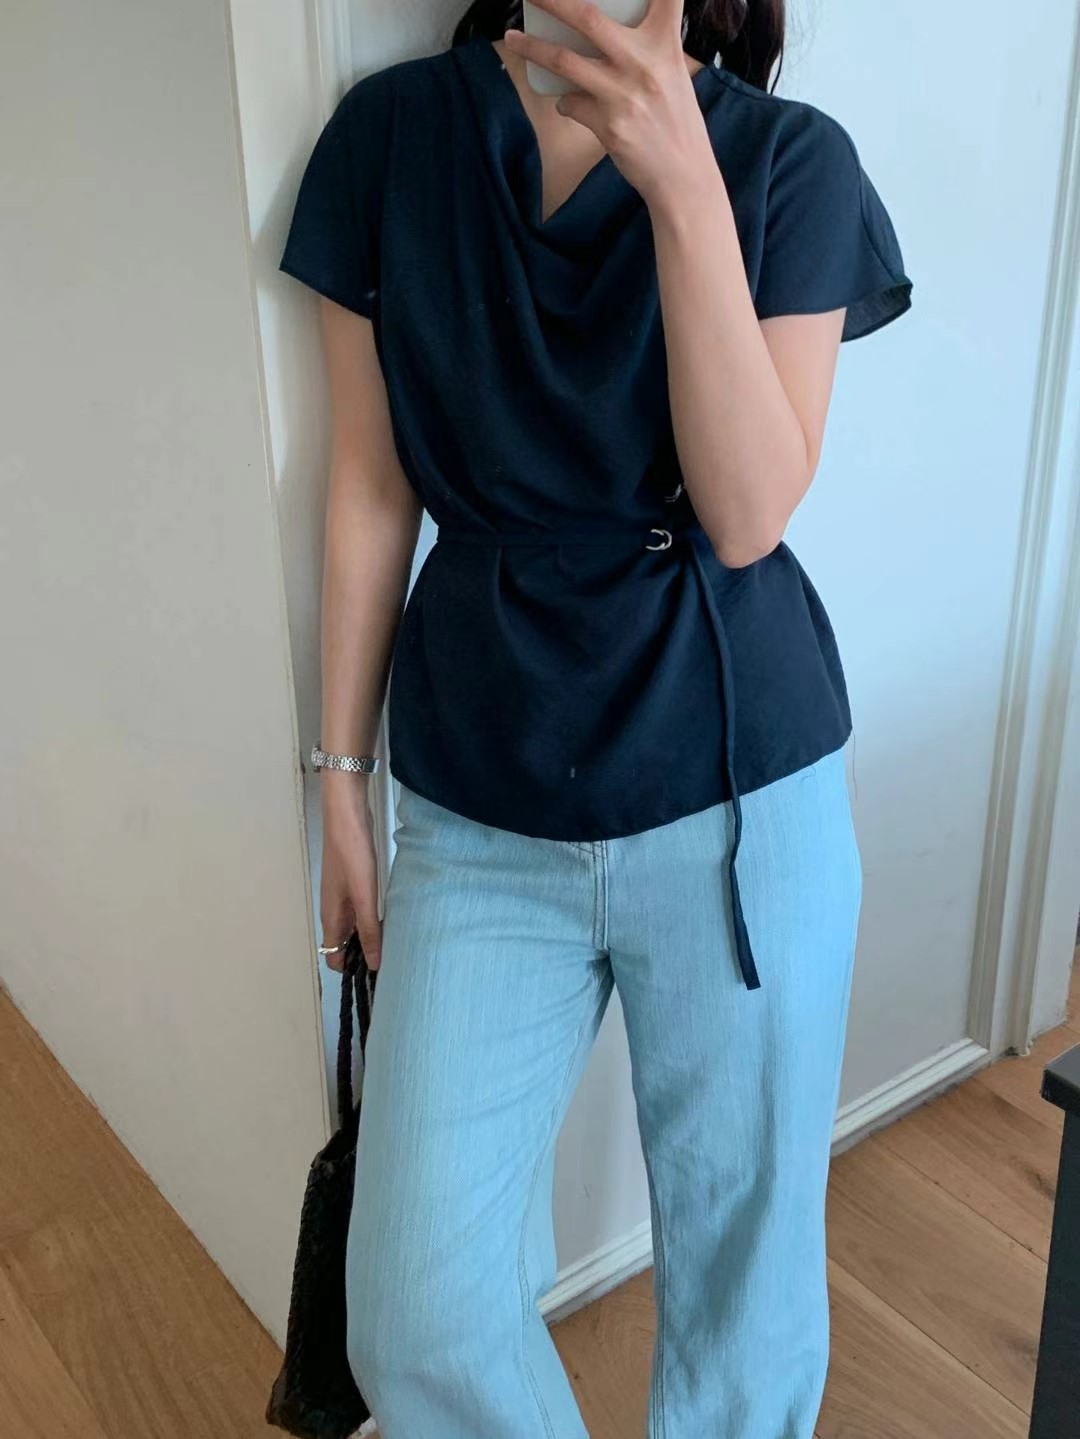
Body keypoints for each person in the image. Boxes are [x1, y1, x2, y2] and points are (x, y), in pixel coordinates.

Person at [279, 0, 913, 1434]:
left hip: (740, 801)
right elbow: (371, 484)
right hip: (476, 809)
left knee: (745, 1301)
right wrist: (339, 781)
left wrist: (683, 185)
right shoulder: (391, 138)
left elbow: (746, 515)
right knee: (416, 1304)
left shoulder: (789, 161)